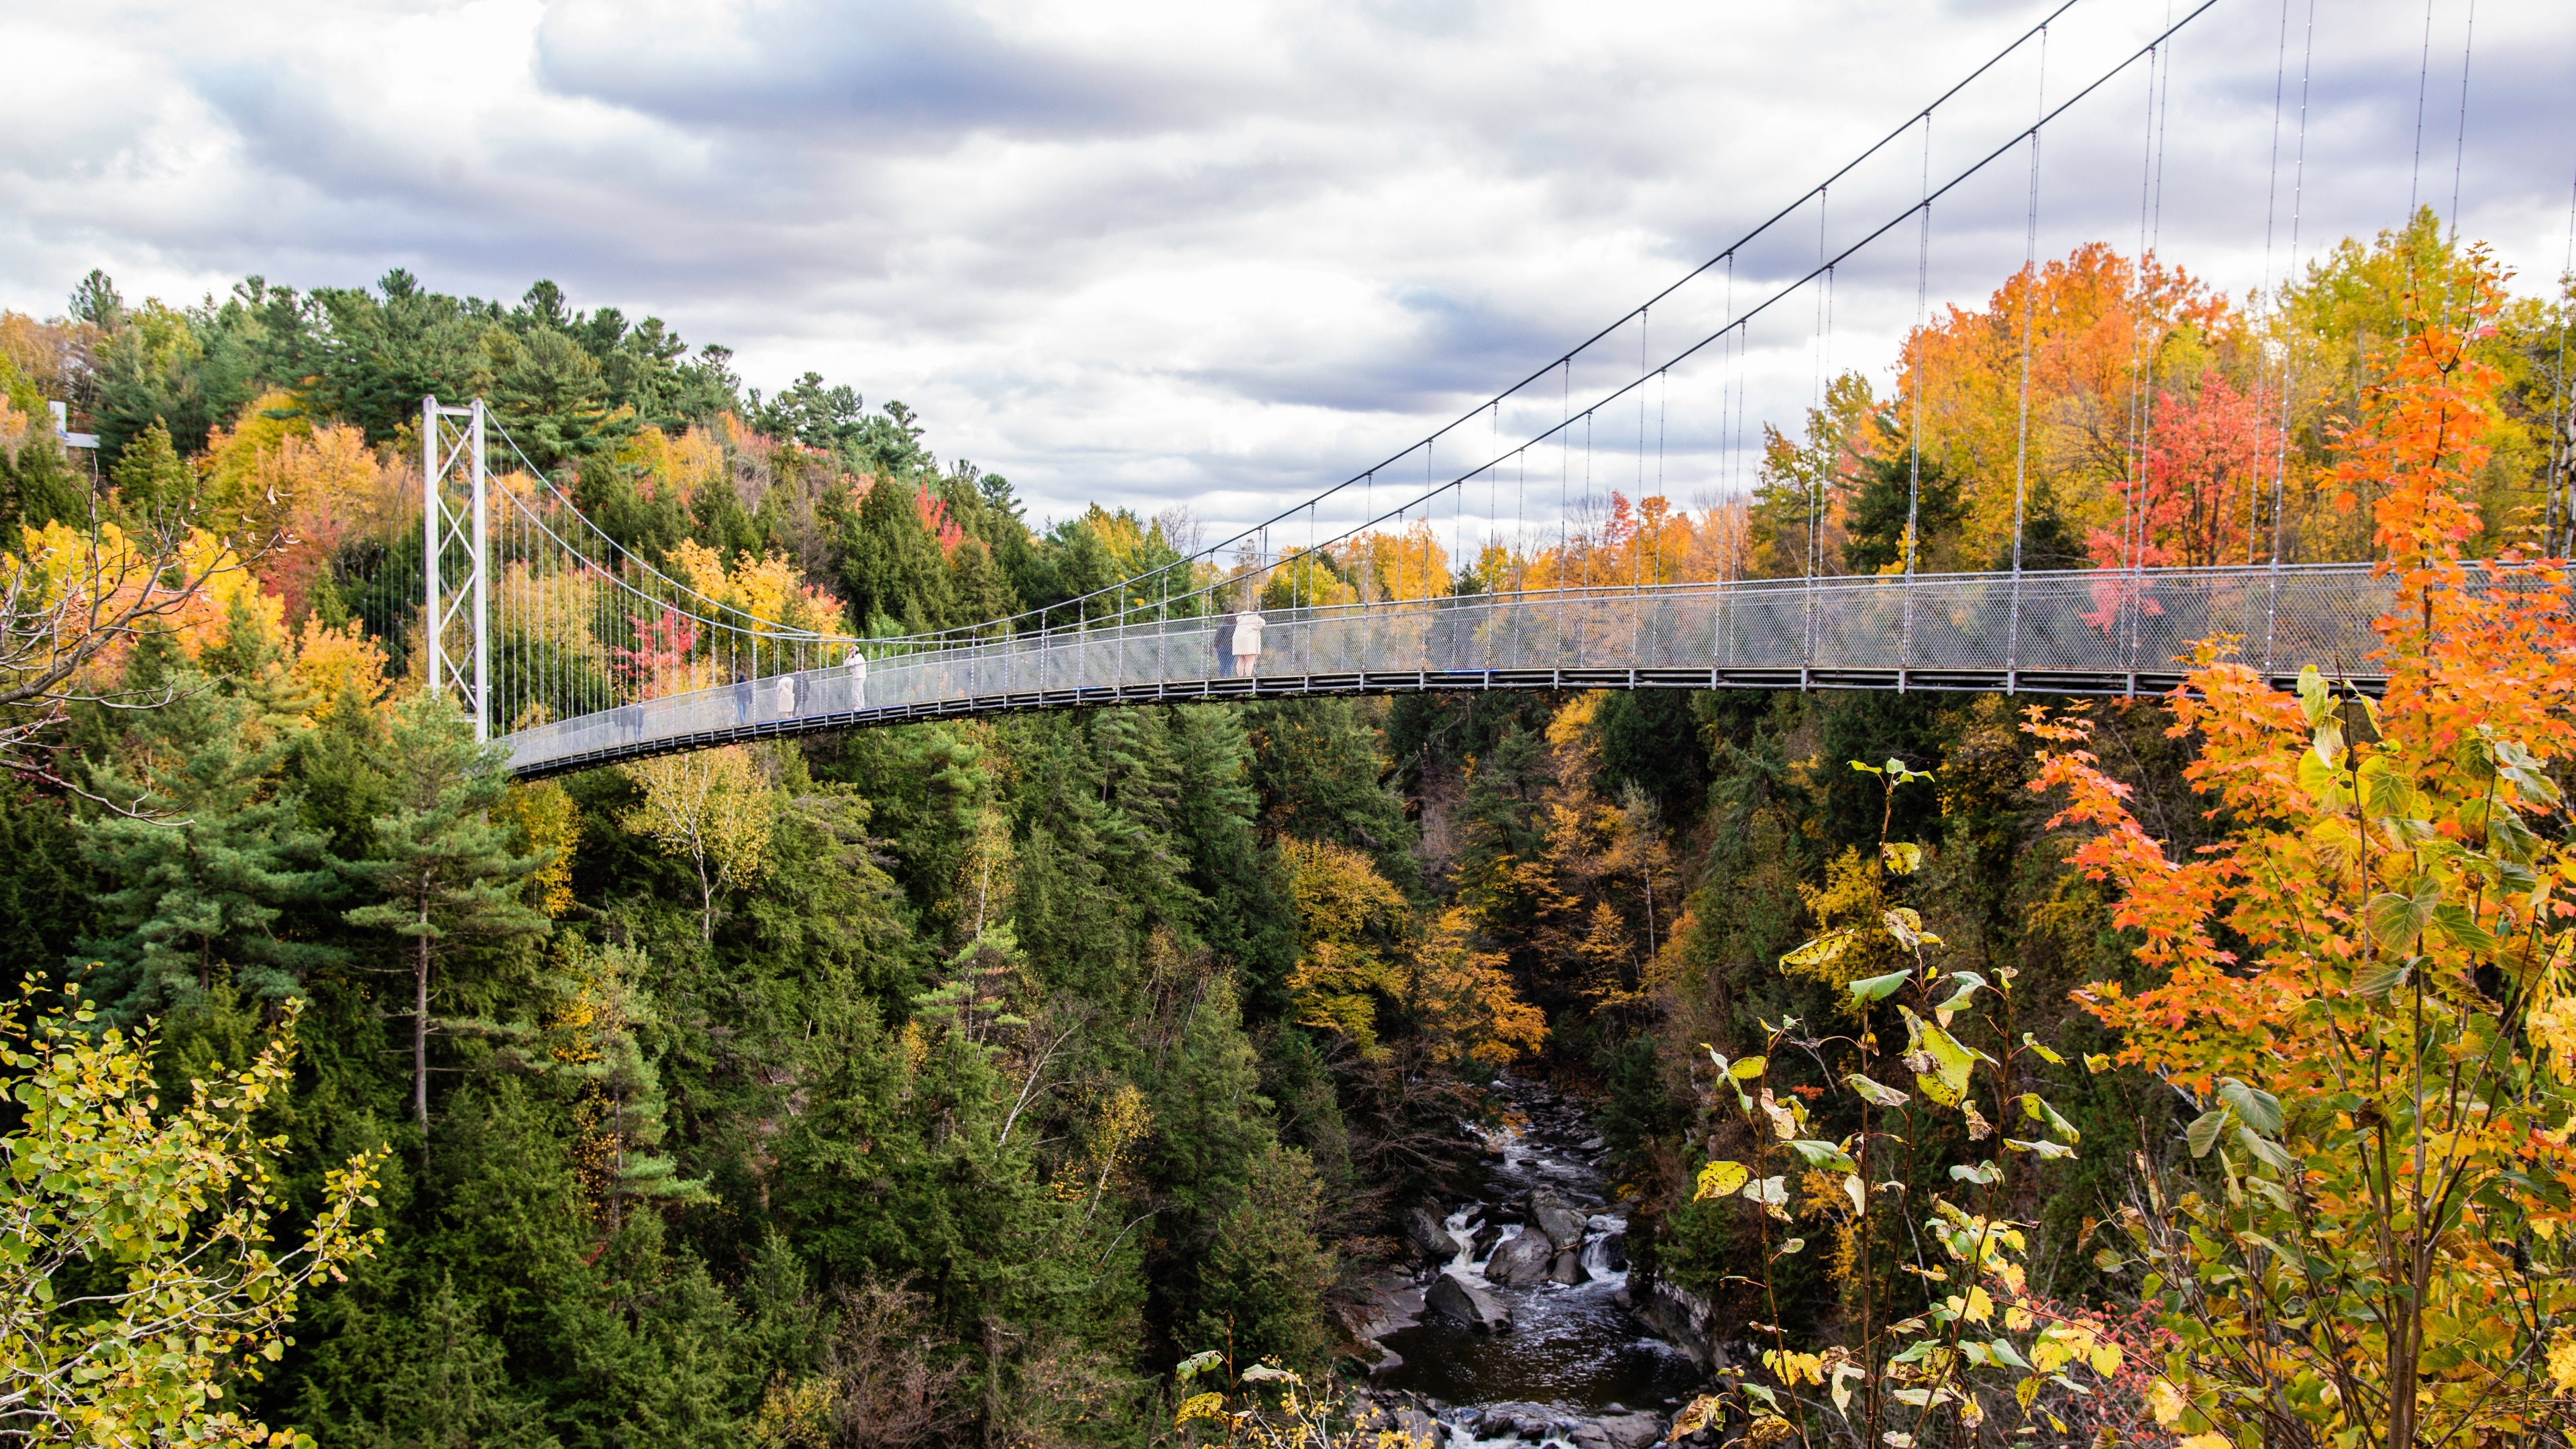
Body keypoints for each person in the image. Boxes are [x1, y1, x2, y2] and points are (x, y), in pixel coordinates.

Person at [1231, 608, 1265, 679]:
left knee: (1241, 659)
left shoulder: (1243, 616)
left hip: (1238, 639)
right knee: (1250, 659)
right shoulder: (1255, 617)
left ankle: (1240, 676)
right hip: (1248, 640)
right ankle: (1248, 676)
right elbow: (1263, 623)